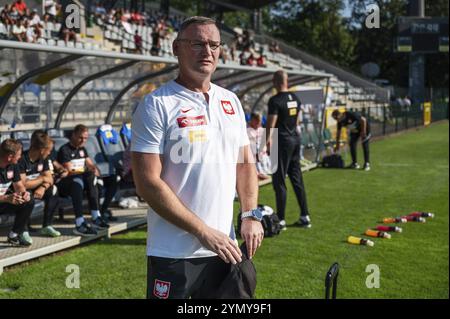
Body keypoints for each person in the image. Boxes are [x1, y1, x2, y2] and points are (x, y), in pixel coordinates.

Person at [131, 16, 264, 299]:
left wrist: (251, 213)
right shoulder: (156, 104)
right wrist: (204, 232)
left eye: (214, 44)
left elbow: (244, 163)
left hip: (225, 249)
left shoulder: (231, 101)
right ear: (176, 47)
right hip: (173, 252)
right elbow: (147, 183)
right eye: (198, 43)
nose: (208, 51)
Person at [266, 70, 311, 230]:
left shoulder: (275, 100)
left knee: (279, 181)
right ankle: (305, 216)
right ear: (287, 81)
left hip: (281, 141)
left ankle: (281, 219)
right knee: (296, 178)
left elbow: (271, 124)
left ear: (275, 81)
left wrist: (265, 143)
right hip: (295, 139)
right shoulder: (296, 98)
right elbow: (297, 121)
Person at [56, 124, 109, 236]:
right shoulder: (64, 149)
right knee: (78, 181)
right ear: (74, 135)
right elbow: (70, 170)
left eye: (85, 138)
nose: (83, 140)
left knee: (93, 178)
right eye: (81, 137)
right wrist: (87, 170)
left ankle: (96, 216)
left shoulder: (82, 149)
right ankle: (80, 222)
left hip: (81, 181)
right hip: (66, 183)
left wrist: (94, 170)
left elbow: (90, 164)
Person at [19, 131, 61, 237]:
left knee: (53, 189)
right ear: (42, 150)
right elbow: (23, 184)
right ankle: (22, 230)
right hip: (21, 190)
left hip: (37, 187)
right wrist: (42, 178)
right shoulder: (22, 159)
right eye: (49, 151)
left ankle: (47, 226)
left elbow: (50, 179)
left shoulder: (44, 159)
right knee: (25, 194)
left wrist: (42, 187)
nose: (49, 153)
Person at [0, 139, 34, 246]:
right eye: (18, 155)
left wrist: (24, 193)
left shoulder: (13, 165)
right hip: (3, 200)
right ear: (10, 156)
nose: (20, 157)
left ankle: (14, 235)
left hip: (3, 202)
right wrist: (6, 198)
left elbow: (18, 185)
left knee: (28, 201)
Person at [247, 112, 270, 180]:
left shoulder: (261, 129)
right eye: (257, 121)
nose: (259, 123)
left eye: (259, 121)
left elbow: (267, 141)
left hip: (263, 157)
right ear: (252, 120)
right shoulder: (246, 130)